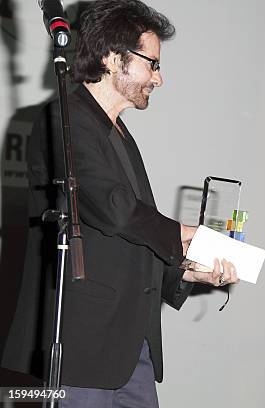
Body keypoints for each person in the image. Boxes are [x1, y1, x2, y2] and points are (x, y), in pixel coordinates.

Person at [1, 1, 238, 406]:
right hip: (85, 346)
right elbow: (112, 207)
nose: (159, 79)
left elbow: (132, 238)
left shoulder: (120, 135)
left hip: (131, 347)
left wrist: (185, 272)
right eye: (153, 64)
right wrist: (186, 234)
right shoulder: (65, 118)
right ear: (114, 59)